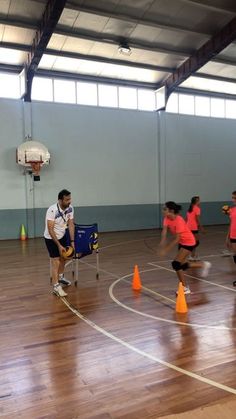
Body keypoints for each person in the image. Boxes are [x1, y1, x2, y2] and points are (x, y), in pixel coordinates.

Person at [159, 201, 211, 294]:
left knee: (176, 264)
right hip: (182, 242)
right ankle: (203, 265)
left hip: (189, 242)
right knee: (182, 265)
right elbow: (164, 231)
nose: (163, 211)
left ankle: (185, 288)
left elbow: (176, 239)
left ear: (171, 210)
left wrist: (166, 249)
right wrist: (162, 242)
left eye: (165, 209)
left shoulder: (179, 220)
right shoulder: (167, 218)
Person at [44, 189, 75, 297]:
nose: (69, 201)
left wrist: (72, 241)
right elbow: (50, 229)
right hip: (51, 238)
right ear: (60, 200)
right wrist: (59, 245)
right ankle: (56, 287)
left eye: (70, 199)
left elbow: (71, 225)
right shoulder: (52, 210)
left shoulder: (70, 208)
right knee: (55, 261)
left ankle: (61, 277)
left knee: (63, 258)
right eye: (67, 200)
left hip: (62, 236)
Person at [186, 196, 204, 260]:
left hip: (188, 227)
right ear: (196, 201)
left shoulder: (190, 208)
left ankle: (192, 256)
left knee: (193, 241)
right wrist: (201, 227)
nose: (200, 201)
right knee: (196, 242)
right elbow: (198, 219)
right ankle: (189, 254)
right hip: (193, 227)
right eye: (199, 200)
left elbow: (186, 218)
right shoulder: (197, 208)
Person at [225, 191, 236, 287]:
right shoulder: (232, 210)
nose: (233, 199)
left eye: (234, 198)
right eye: (232, 197)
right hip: (233, 236)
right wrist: (227, 236)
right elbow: (231, 223)